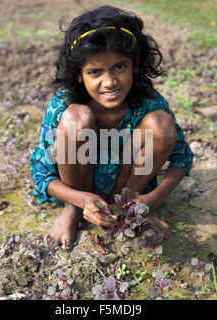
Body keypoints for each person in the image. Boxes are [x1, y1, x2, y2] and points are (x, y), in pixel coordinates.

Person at [30, 5, 194, 249]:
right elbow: (41, 173)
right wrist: (80, 199)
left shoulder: (150, 103)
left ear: (135, 64)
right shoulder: (63, 106)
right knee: (77, 119)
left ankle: (127, 208)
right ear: (78, 74)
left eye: (119, 67)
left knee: (160, 124)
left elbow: (182, 159)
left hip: (130, 184)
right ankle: (72, 213)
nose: (109, 81)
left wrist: (152, 199)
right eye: (95, 72)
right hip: (79, 187)